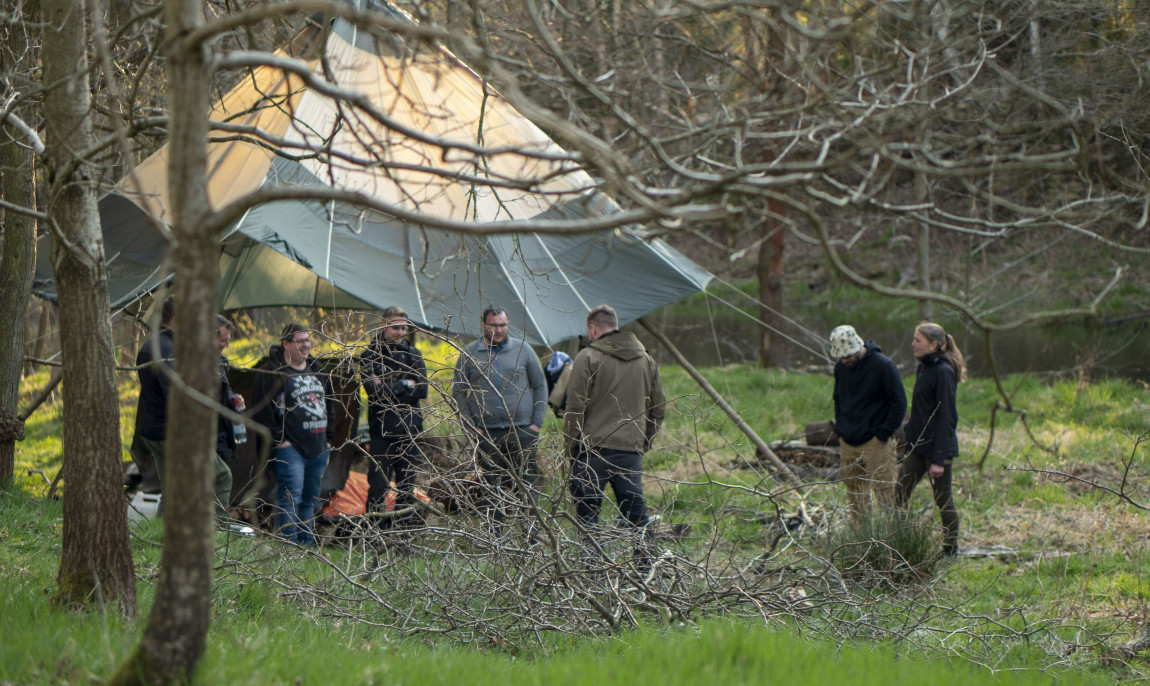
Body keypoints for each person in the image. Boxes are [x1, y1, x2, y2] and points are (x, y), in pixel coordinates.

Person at [564, 305, 665, 564]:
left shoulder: (587, 357)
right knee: (636, 515)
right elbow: (658, 409)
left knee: (587, 517)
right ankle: (646, 571)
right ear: (615, 325)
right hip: (630, 451)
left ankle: (589, 573)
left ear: (593, 329)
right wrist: (643, 443)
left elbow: (575, 409)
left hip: (592, 450)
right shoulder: (647, 360)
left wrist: (572, 449)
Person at [451, 306, 547, 531]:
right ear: (484, 325)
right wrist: (471, 427)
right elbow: (458, 392)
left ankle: (531, 537)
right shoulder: (470, 353)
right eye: (493, 325)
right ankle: (495, 538)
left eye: (503, 325)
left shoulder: (524, 350)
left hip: (522, 430)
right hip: (487, 433)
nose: (499, 329)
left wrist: (536, 424)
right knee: (491, 486)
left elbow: (540, 386)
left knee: (526, 485)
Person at [252, 323, 335, 545]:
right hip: (290, 448)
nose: (306, 345)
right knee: (290, 497)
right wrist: (281, 441)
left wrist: (328, 439)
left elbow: (331, 405)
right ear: (286, 344)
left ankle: (306, 544)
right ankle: (288, 546)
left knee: (309, 499)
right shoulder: (272, 371)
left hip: (318, 446)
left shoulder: (317, 369)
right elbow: (262, 411)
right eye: (300, 341)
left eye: (307, 340)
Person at [896, 322, 964, 556]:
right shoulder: (923, 367)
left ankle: (950, 549)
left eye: (918, 340)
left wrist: (939, 459)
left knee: (943, 500)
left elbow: (947, 417)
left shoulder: (943, 372)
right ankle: (898, 540)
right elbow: (921, 411)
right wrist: (909, 438)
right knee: (899, 492)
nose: (913, 344)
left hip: (938, 451)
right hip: (918, 447)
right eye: (914, 339)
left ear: (933, 344)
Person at [357, 307, 428, 530]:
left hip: (409, 431)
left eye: (403, 328)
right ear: (383, 325)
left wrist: (387, 386)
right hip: (381, 433)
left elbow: (422, 390)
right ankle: (373, 536)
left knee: (406, 487)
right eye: (395, 327)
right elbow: (373, 392)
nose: (399, 332)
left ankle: (401, 537)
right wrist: (404, 384)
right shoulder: (369, 356)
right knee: (378, 486)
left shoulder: (413, 354)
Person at [830, 324, 907, 519]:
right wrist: (841, 429)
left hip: (876, 441)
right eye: (841, 357)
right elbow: (838, 398)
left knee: (885, 492)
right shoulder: (841, 368)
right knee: (855, 493)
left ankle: (894, 536)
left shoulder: (883, 366)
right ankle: (861, 538)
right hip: (848, 440)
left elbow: (899, 402)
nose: (845, 360)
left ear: (858, 347)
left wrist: (883, 433)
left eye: (848, 355)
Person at [130, 296, 175, 494]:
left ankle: (160, 526)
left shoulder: (150, 346)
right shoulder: (167, 349)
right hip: (168, 431)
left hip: (152, 430)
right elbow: (173, 396)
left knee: (170, 489)